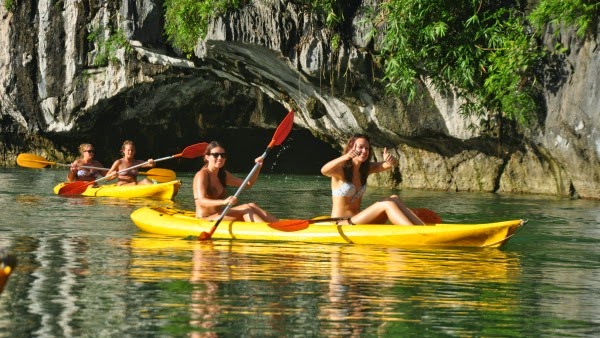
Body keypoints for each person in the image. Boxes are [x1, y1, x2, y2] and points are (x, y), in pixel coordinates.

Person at [321, 134, 424, 225]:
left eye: (367, 148)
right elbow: (324, 171)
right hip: (341, 222)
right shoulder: (340, 171)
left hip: (358, 220)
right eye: (361, 147)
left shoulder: (365, 170)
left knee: (394, 198)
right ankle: (415, 232)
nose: (364, 151)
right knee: (387, 203)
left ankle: (421, 227)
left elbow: (390, 165)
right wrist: (345, 157)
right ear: (350, 148)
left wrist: (391, 161)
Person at [193, 141, 278, 222]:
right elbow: (201, 201)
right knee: (246, 209)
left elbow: (247, 184)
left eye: (223, 155)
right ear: (207, 157)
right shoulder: (202, 175)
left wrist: (258, 167)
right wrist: (224, 201)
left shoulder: (223, 174)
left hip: (219, 215)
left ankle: (279, 225)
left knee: (252, 205)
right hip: (205, 219)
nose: (220, 158)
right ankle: (270, 232)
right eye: (215, 155)